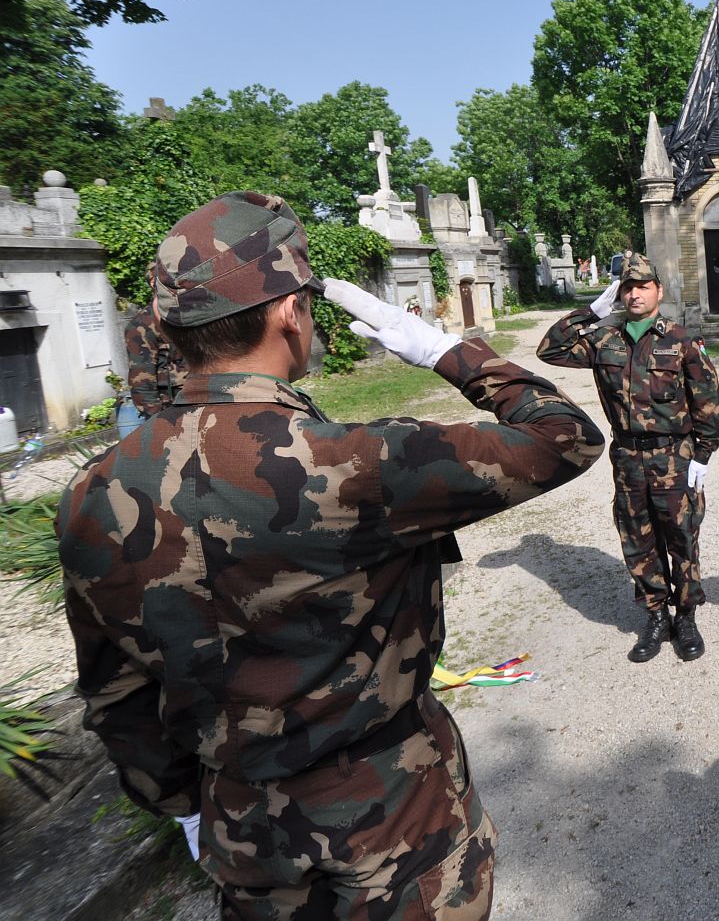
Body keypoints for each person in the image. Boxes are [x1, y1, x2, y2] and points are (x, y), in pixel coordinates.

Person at [56, 191, 605, 918]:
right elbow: (565, 435)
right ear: (290, 311)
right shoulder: (350, 461)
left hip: (244, 830)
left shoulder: (90, 494)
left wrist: (186, 802)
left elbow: (113, 690)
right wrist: (447, 350)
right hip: (395, 815)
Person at [537, 254, 719, 663]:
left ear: (659, 290)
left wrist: (703, 455)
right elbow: (549, 349)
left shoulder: (681, 341)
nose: (634, 293)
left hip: (674, 456)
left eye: (642, 286)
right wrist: (590, 311)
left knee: (682, 538)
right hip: (627, 458)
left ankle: (687, 616)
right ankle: (656, 615)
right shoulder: (604, 339)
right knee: (637, 541)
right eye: (627, 287)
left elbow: (707, 402)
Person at [117, 296, 186, 436]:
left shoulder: (185, 315)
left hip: (195, 402)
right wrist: (158, 423)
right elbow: (141, 381)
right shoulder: (141, 326)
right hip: (169, 411)